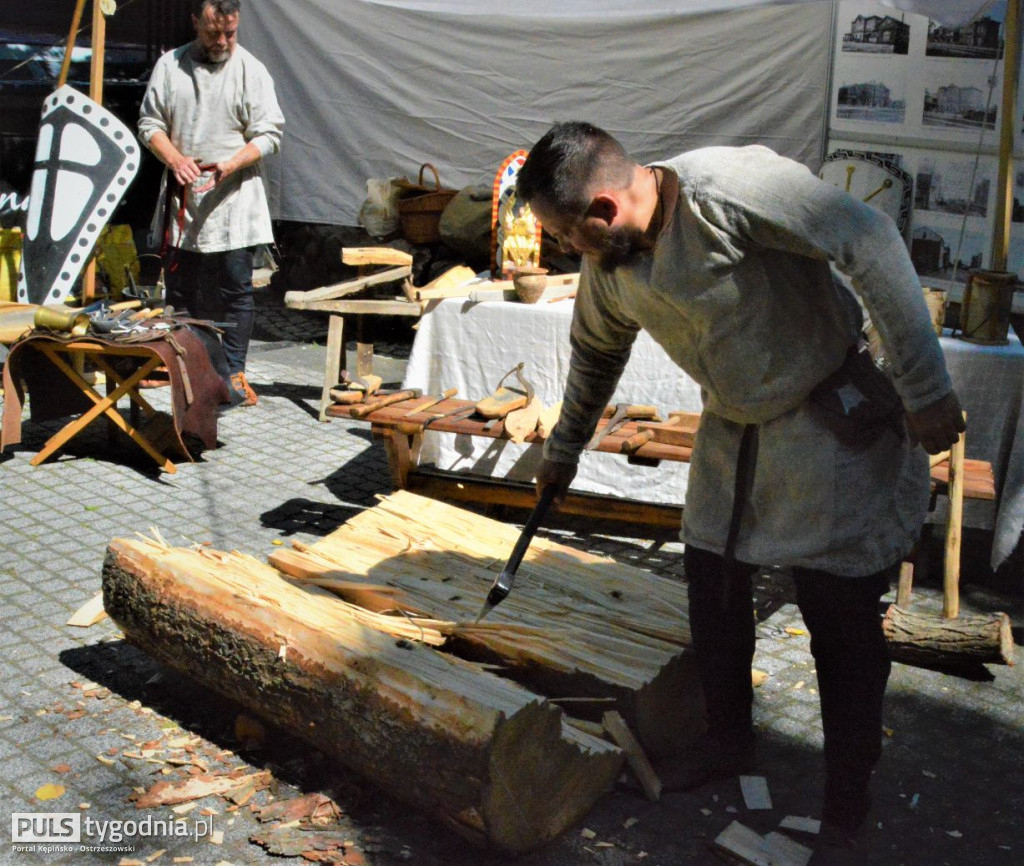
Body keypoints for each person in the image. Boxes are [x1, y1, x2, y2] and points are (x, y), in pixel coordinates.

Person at [516, 122, 964, 858]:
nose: (568, 252)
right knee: (714, 590)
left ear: (603, 209)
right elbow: (597, 352)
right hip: (735, 426)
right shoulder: (614, 262)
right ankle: (729, 741)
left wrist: (924, 385)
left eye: (569, 235)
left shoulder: (729, 191)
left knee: (838, 617)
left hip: (827, 415)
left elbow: (871, 238)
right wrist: (564, 449)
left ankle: (847, 797)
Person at [138, 0, 284, 407]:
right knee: (181, 289)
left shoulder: (251, 71)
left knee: (235, 289)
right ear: (194, 24)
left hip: (235, 198)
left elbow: (270, 134)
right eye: (212, 32)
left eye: (230, 33)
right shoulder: (170, 66)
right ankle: (180, 364)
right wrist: (175, 159)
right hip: (184, 199)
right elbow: (150, 124)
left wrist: (233, 162)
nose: (222, 41)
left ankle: (234, 372)